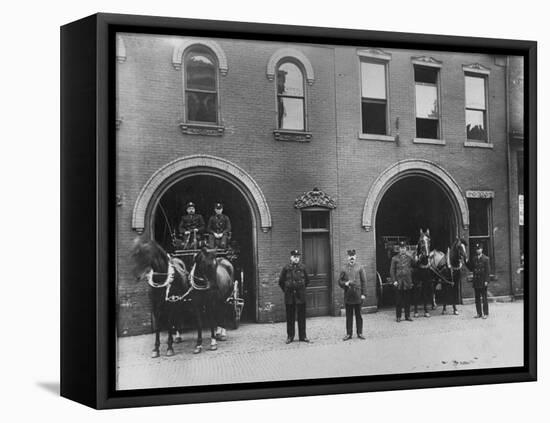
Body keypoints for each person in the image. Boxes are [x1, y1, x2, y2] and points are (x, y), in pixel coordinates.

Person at [278, 250, 310, 344]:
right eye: (294, 256)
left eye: (297, 256)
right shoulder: (286, 268)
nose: (296, 258)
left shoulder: (303, 267)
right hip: (290, 297)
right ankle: (290, 336)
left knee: (302, 317)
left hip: (300, 297)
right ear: (291, 258)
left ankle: (303, 336)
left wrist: (301, 290)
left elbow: (307, 281)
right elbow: (281, 282)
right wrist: (287, 291)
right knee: (290, 317)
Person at [338, 249, 367, 340]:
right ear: (347, 257)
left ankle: (360, 333)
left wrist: (364, 294)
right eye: (350, 256)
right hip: (348, 295)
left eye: (353, 256)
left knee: (359, 315)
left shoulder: (360, 267)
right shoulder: (344, 268)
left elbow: (364, 281)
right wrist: (345, 284)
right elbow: (339, 281)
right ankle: (349, 334)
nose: (352, 258)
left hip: (358, 295)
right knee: (349, 316)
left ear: (355, 257)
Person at [390, 241, 415, 322]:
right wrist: (394, 281)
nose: (402, 250)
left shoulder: (409, 257)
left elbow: (414, 266)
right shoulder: (394, 258)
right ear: (399, 249)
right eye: (401, 248)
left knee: (407, 300)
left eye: (404, 248)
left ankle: (407, 316)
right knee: (398, 301)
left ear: (406, 249)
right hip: (399, 282)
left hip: (407, 282)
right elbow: (392, 271)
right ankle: (398, 316)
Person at [467, 243, 490, 319]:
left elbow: (487, 271)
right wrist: (466, 262)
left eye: (479, 248)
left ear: (482, 249)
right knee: (477, 298)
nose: (478, 250)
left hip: (483, 281)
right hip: (476, 281)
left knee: (484, 298)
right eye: (477, 249)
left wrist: (486, 281)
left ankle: (486, 313)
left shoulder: (486, 259)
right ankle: (479, 313)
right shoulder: (474, 259)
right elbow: (471, 268)